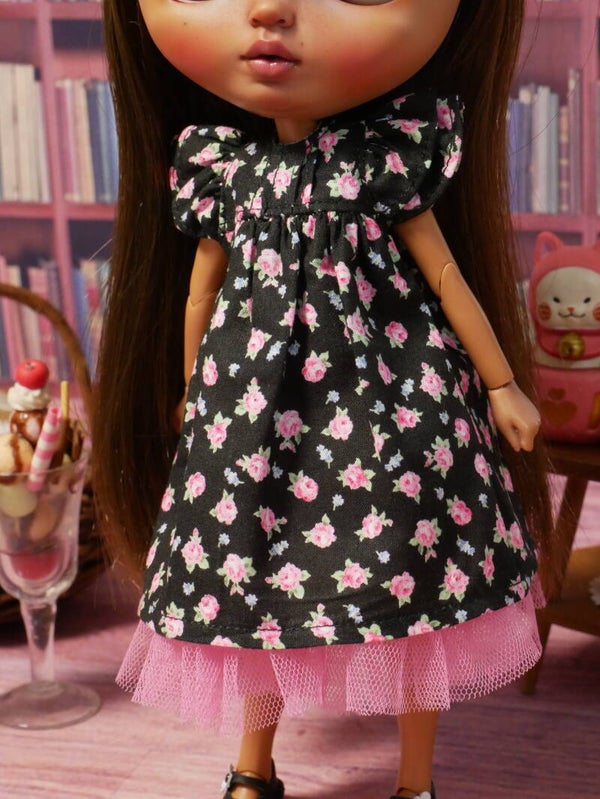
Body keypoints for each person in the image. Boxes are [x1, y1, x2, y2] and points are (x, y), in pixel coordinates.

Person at [94, 1, 553, 797]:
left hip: (388, 410)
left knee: (413, 586)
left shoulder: (380, 163)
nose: (269, 8)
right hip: (255, 423)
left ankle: (415, 780)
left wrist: (502, 382)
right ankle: (252, 765)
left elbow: (446, 276)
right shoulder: (226, 172)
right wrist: (194, 387)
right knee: (257, 587)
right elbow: (201, 293)